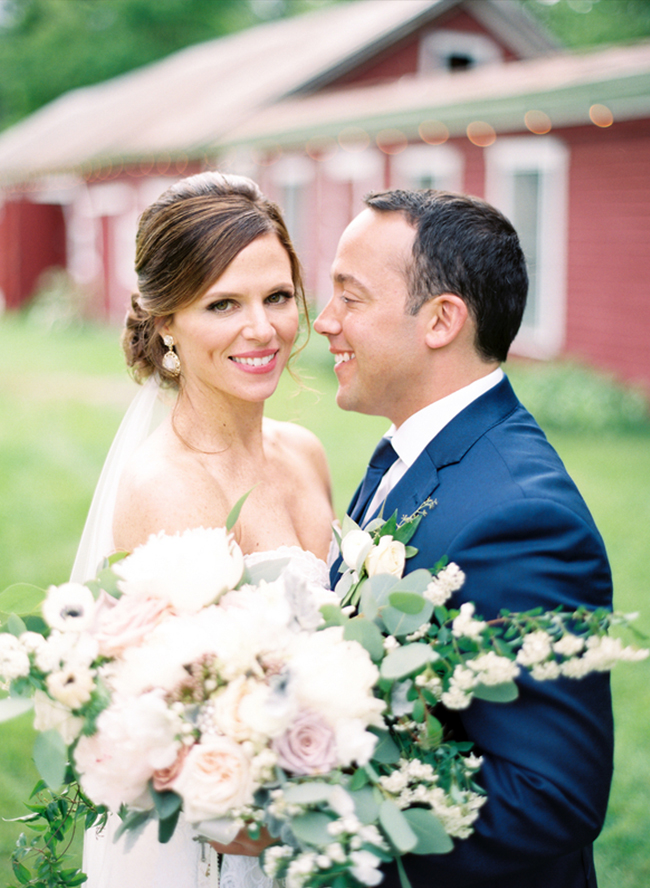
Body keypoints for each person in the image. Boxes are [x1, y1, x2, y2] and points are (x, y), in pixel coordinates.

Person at [316, 189, 614, 888]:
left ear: (441, 320)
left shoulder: (522, 519)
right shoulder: (416, 450)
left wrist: (321, 826)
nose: (324, 322)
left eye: (350, 298)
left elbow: (551, 795)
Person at [74, 171, 334, 888]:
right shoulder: (167, 488)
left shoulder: (304, 454)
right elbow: (192, 745)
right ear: (165, 323)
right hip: (226, 850)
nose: (263, 329)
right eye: (223, 304)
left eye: (278, 297)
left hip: (323, 822)